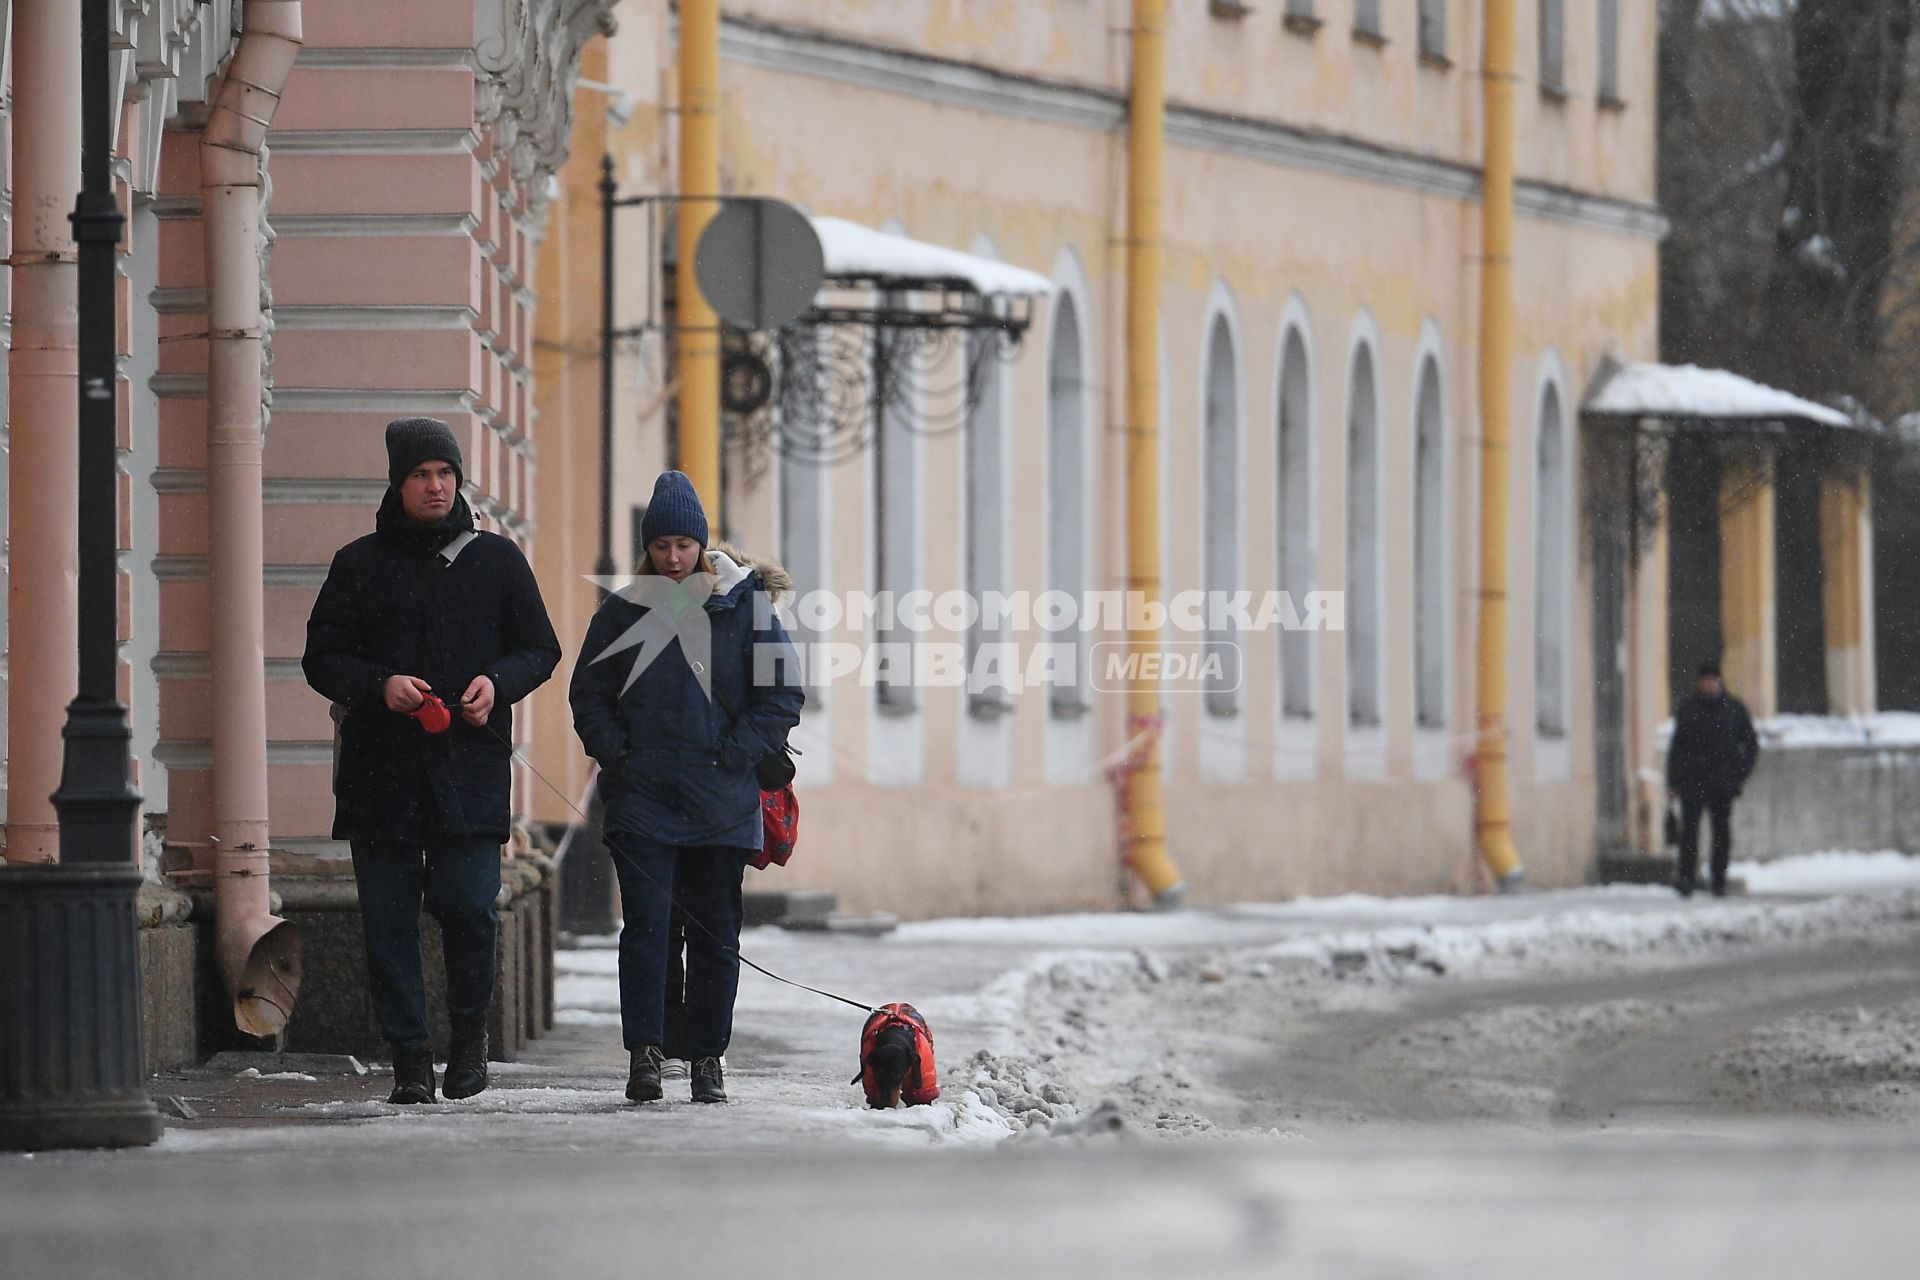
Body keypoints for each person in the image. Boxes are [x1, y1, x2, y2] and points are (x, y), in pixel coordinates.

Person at [303, 417, 560, 1104]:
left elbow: (540, 648)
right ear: (399, 482)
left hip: (468, 771)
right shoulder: (358, 564)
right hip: (379, 776)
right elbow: (321, 658)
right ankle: (409, 1058)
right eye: (422, 474)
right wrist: (378, 685)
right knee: (387, 922)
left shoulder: (496, 560)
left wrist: (497, 684)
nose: (436, 485)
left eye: (446, 474)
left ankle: (469, 1040)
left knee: (469, 907)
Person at [569, 471, 804, 1105]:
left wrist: (734, 754)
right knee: (646, 931)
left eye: (684, 546)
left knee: (715, 937)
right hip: (643, 801)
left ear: (703, 545)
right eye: (662, 546)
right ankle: (644, 1054)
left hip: (722, 803)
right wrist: (619, 755)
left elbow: (783, 696)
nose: (673, 560)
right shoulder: (621, 612)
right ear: (647, 548)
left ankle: (707, 1057)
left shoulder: (747, 609)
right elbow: (587, 696)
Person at [1665, 659, 1760, 898]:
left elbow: (1750, 744)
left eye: (1712, 681)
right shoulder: (1688, 709)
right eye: (1704, 681)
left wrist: (1739, 774)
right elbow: (1677, 748)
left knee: (1721, 833)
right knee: (1689, 833)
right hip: (1692, 781)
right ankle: (1687, 878)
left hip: (1722, 783)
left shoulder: (1734, 709)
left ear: (1719, 681)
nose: (1708, 685)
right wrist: (1674, 781)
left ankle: (1719, 879)